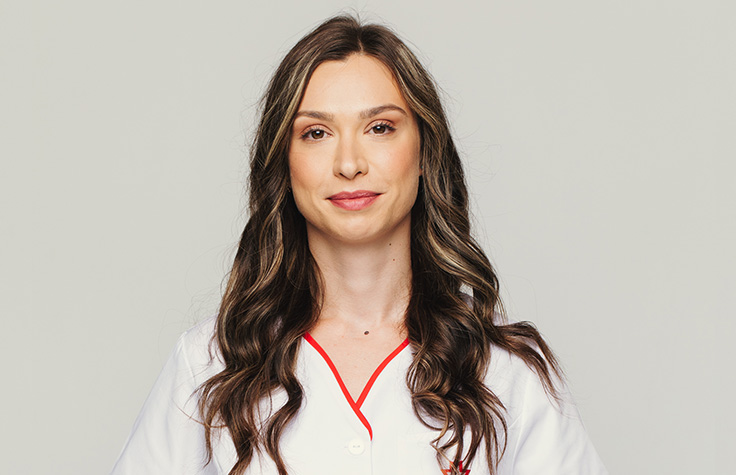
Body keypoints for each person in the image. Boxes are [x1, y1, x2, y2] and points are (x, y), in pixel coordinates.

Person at [111, 15, 608, 475]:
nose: (349, 163)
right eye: (316, 132)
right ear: (284, 162)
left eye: (380, 128)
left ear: (424, 152)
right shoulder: (209, 365)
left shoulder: (505, 370)